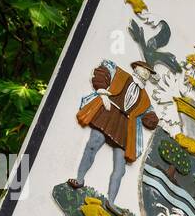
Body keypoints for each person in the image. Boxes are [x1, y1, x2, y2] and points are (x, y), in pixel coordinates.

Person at [68, 59, 159, 203]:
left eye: (149, 72)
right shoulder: (120, 74)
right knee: (92, 145)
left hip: (125, 125)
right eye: (144, 69)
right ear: (136, 67)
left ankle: (111, 202)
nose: (147, 72)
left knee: (120, 167)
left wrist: (153, 120)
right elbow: (102, 72)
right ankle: (79, 179)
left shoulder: (145, 98)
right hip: (108, 112)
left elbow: (149, 116)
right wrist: (102, 92)